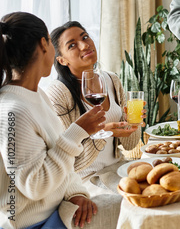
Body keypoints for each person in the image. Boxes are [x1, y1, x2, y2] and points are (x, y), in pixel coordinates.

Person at [0, 12, 103, 228]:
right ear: (44, 44)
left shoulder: (37, 95)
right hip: (36, 223)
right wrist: (76, 133)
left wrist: (75, 193)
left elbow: (58, 161)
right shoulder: (14, 110)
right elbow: (34, 186)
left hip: (58, 209)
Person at [45, 21, 142, 180]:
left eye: (85, 37)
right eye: (72, 45)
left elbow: (130, 144)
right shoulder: (59, 93)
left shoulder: (111, 80)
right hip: (83, 180)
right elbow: (69, 163)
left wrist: (134, 120)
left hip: (117, 169)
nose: (84, 45)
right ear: (62, 60)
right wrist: (105, 133)